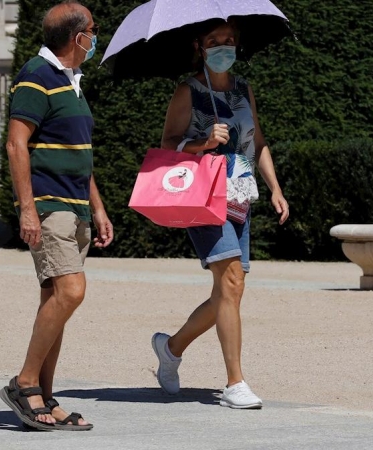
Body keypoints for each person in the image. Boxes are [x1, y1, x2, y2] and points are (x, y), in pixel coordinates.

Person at [152, 19, 289, 409]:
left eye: (229, 40)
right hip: (202, 194)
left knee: (230, 289)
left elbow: (257, 141)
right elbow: (168, 145)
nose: (223, 46)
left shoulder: (244, 89)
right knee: (229, 282)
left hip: (240, 191)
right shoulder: (188, 90)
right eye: (215, 41)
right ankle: (235, 383)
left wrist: (275, 188)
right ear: (200, 45)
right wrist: (203, 141)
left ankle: (171, 348)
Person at [0, 0, 113, 431]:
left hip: (76, 206)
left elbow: (80, 155)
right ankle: (24, 382)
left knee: (56, 300)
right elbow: (16, 145)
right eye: (93, 30)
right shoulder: (36, 76)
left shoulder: (72, 81)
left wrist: (98, 208)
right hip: (50, 207)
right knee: (71, 291)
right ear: (76, 36)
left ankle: (43, 396)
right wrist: (27, 209)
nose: (95, 37)